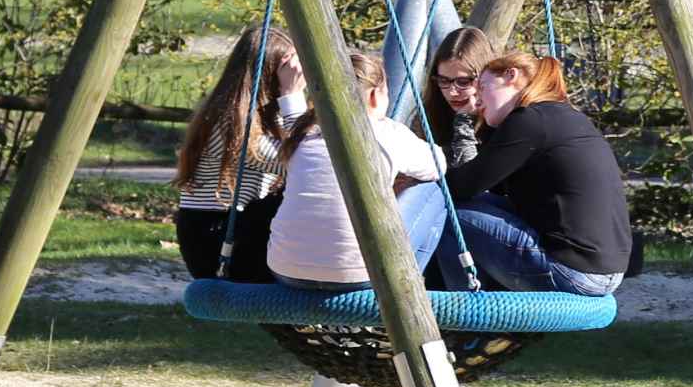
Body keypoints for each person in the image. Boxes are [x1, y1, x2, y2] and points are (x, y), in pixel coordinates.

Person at [436, 51, 631, 296]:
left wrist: (414, 179)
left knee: (443, 211)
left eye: (483, 88)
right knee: (464, 205)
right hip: (603, 269)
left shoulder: (528, 120)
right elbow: (489, 190)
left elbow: (463, 185)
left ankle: (463, 314)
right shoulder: (561, 116)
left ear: (510, 76)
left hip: (574, 273)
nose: (477, 102)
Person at [268, 51, 447, 291]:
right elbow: (439, 165)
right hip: (359, 276)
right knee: (432, 189)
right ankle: (408, 290)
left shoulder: (302, 132)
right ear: (375, 95)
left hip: (284, 270)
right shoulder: (389, 133)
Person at [174, 26, 307, 283]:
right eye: (289, 70)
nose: (298, 76)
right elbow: (306, 162)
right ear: (269, 74)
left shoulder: (265, 116)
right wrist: (293, 96)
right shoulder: (229, 122)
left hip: (239, 232)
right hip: (215, 242)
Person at [417, 26, 497, 168]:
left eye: (463, 82)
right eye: (444, 80)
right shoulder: (429, 114)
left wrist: (464, 124)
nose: (452, 92)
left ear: (484, 78)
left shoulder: (506, 119)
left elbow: (471, 179)